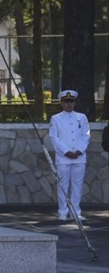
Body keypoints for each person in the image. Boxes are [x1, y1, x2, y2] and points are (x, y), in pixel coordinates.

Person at [48, 89, 90, 221]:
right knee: (63, 186)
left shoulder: (82, 117)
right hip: (63, 158)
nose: (69, 104)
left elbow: (86, 135)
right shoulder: (55, 118)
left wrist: (79, 151)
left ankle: (75, 212)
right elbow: (54, 138)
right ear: (61, 103)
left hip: (79, 157)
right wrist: (66, 152)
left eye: (71, 101)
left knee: (77, 185)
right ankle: (63, 211)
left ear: (75, 102)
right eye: (66, 101)